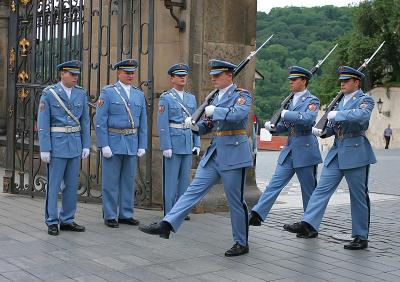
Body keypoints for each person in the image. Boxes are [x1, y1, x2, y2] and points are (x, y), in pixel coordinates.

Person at [139, 59, 253, 257]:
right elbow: (208, 125)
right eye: (212, 76)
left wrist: (214, 111)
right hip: (215, 153)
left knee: (235, 200)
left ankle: (241, 242)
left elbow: (238, 115)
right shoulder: (215, 97)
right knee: (192, 191)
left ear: (229, 75)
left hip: (234, 153)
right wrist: (194, 126)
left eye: (217, 75)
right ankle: (167, 224)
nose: (213, 79)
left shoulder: (241, 95)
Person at [284, 66, 376, 250]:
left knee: (358, 196)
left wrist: (338, 115)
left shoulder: (365, 100)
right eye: (341, 80)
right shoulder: (339, 102)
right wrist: (323, 131)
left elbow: (361, 117)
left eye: (346, 81)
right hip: (337, 151)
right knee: (321, 190)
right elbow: (335, 127)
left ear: (356, 82)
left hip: (356, 150)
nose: (342, 83)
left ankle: (360, 236)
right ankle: (308, 223)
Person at [249, 66, 322, 228]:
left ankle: (310, 225)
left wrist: (285, 114)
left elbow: (308, 119)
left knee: (308, 189)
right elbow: (287, 126)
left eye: (294, 80)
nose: (291, 82)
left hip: (305, 147)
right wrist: (274, 127)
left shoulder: (312, 100)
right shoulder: (289, 101)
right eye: (290, 79)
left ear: (304, 81)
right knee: (275, 183)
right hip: (290, 148)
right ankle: (257, 214)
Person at [37, 60, 90, 236]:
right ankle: (52, 220)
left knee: (71, 185)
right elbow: (43, 121)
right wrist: (45, 148)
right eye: (72, 74)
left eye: (77, 74)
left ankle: (67, 219)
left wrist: (86, 144)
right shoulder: (50, 93)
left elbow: (85, 121)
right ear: (62, 74)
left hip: (74, 144)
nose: (76, 77)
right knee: (54, 185)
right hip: (57, 145)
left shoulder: (81, 93)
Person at [95, 59, 148, 228]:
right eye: (127, 72)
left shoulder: (139, 94)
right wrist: (104, 145)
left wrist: (142, 144)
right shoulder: (108, 93)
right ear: (119, 73)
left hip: (131, 142)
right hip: (114, 141)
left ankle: (126, 213)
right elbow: (100, 121)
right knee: (110, 181)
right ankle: (110, 214)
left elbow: (143, 122)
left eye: (132, 72)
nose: (130, 75)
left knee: (128, 180)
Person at [157, 63, 200, 219]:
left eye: (184, 75)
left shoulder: (191, 98)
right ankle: (169, 211)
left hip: (187, 141)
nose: (183, 78)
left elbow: (195, 121)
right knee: (170, 180)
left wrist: (197, 142)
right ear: (172, 78)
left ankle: (181, 210)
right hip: (173, 143)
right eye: (179, 76)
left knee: (184, 180)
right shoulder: (166, 98)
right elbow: (162, 124)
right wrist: (166, 145)